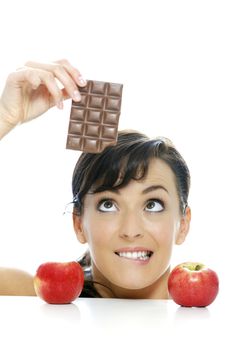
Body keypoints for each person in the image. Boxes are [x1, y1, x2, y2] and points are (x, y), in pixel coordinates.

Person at [0, 59, 191, 299]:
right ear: (79, 224)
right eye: (108, 205)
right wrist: (4, 118)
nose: (131, 231)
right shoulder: (38, 299)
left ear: (183, 224)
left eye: (152, 204)